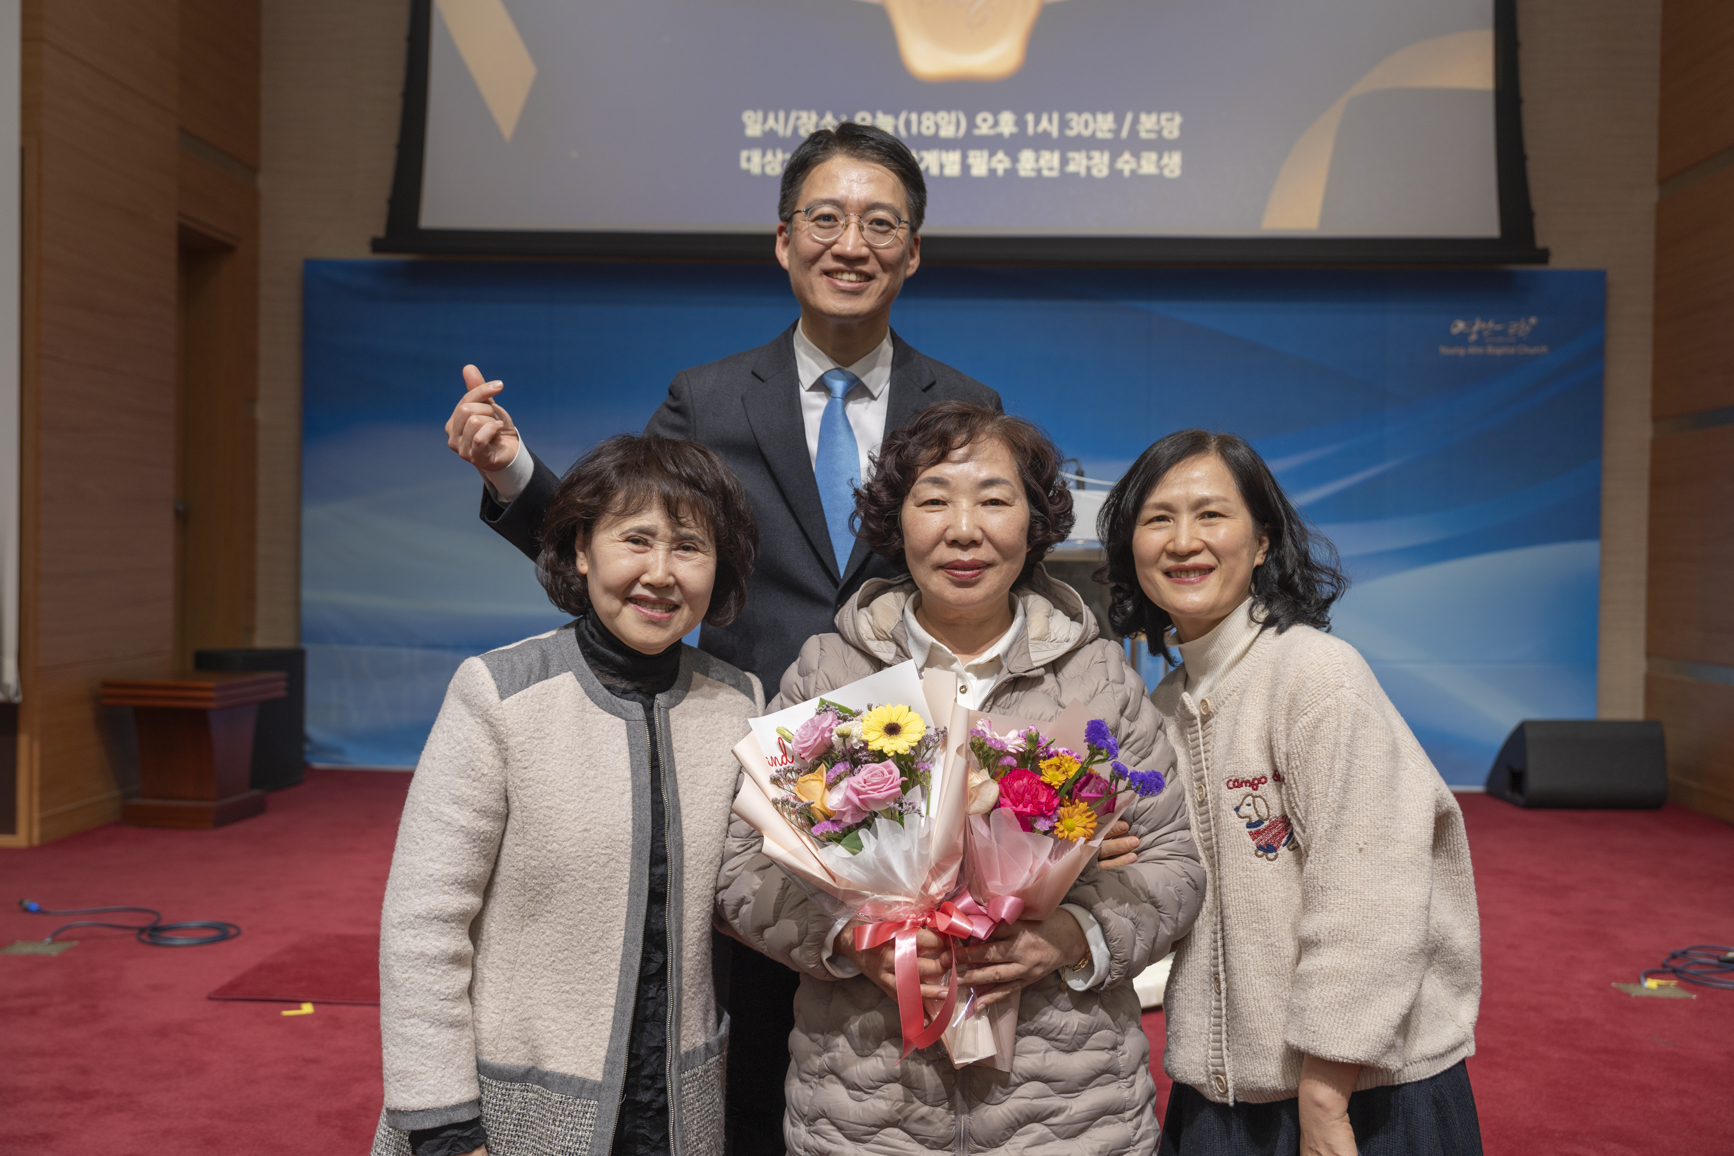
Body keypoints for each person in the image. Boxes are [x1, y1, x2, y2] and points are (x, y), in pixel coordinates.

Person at [444, 122, 1001, 1152]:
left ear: (914, 251)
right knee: (745, 1051)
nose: (851, 243)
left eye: (881, 224)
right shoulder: (706, 397)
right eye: (825, 218)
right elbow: (619, 538)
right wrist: (512, 474)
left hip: (917, 783)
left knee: (903, 1067)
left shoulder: (966, 405)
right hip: (745, 778)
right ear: (783, 240)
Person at [716, 403, 1206, 1155]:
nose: (965, 530)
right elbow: (740, 867)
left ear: (1035, 522)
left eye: (995, 500)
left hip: (1070, 1111)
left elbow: (1174, 865)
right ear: (895, 520)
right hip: (867, 1111)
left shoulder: (1098, 677)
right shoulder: (830, 672)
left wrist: (1070, 935)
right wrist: (852, 939)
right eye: (934, 500)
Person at [1094, 430, 1484, 1156]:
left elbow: (1372, 895)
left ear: (1263, 542)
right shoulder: (1164, 707)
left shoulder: (1317, 676)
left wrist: (1325, 1095)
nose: (1184, 541)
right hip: (1222, 1093)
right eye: (1158, 518)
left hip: (1361, 1095)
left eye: (1212, 514)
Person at [372, 436, 764, 1156]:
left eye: (688, 547)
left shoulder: (739, 703)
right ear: (581, 550)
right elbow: (423, 923)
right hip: (508, 1111)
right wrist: (443, 1123)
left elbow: (750, 886)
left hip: (679, 1106)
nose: (660, 573)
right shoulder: (500, 693)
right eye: (635, 540)